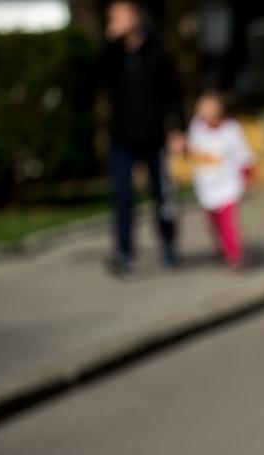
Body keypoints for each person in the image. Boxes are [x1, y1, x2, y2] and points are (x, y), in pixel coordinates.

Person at [98, 0, 187, 278]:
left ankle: (168, 244)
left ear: (136, 17)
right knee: (122, 197)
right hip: (122, 138)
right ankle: (124, 253)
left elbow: (175, 94)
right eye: (112, 17)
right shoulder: (114, 55)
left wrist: (179, 130)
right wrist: (109, 45)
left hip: (154, 137)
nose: (116, 21)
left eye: (121, 16)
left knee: (162, 197)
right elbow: (96, 79)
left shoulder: (156, 51)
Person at [188, 92, 254, 269]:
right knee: (213, 221)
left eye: (208, 107)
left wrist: (247, 174)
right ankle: (221, 248)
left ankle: (235, 255)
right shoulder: (197, 126)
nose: (204, 111)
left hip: (227, 184)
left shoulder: (231, 130)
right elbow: (194, 148)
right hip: (207, 183)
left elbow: (243, 154)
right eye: (202, 107)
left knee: (228, 222)